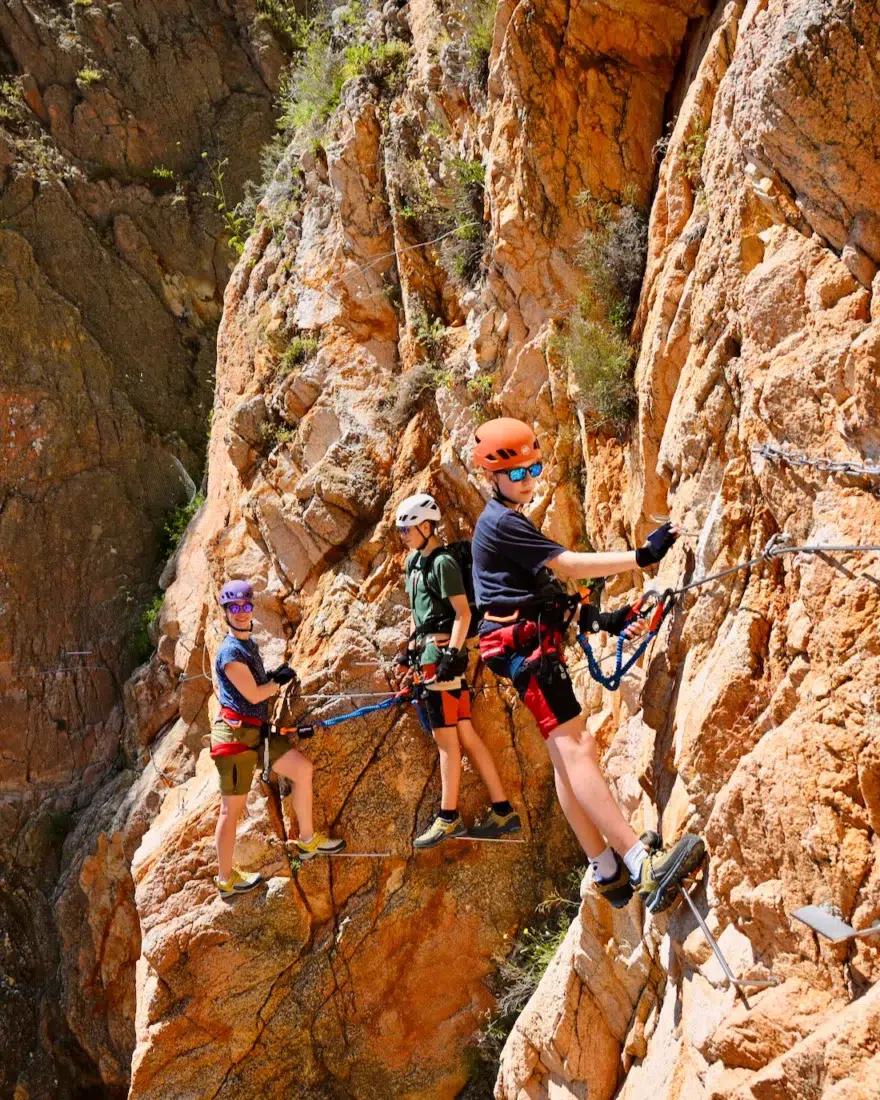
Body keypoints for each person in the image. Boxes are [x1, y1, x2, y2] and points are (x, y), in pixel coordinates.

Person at [471, 419, 705, 913]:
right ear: (492, 477)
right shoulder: (503, 522)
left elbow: (529, 591)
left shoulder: (503, 519)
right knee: (577, 749)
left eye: (534, 468)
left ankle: (606, 869)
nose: (528, 479)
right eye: (517, 473)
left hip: (524, 652)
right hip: (530, 658)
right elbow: (568, 565)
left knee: (564, 758)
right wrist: (641, 557)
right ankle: (642, 865)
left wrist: (599, 616)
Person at [395, 493, 521, 849]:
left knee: (445, 740)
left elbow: (463, 614)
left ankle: (448, 818)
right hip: (427, 655)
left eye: (408, 527)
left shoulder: (443, 564)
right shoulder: (412, 565)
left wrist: (451, 654)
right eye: (401, 528)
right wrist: (409, 650)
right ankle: (502, 809)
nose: (403, 534)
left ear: (425, 526)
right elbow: (420, 614)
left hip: (441, 659)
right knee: (464, 731)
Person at [211, 580, 345, 896]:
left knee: (301, 769)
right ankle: (225, 879)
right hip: (234, 738)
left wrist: (273, 677)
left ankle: (307, 839)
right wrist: (277, 682)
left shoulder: (248, 645)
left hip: (254, 732)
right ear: (226, 612)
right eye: (235, 608)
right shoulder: (230, 652)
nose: (242, 613)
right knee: (230, 811)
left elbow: (258, 686)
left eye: (245, 606)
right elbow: (254, 693)